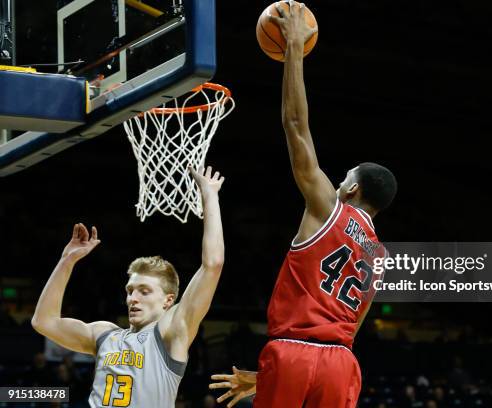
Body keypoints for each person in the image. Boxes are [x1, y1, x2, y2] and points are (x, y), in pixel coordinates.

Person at [209, 2, 397, 407]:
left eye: (345, 175)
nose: (339, 178)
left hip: (293, 350)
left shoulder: (329, 206)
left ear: (351, 189)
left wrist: (293, 48)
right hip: (343, 362)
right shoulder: (379, 256)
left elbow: (295, 125)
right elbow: (353, 326)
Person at [31, 166, 226, 408]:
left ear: (168, 300)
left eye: (144, 291)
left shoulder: (171, 330)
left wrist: (209, 195)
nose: (133, 298)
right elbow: (44, 322)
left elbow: (212, 264)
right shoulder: (105, 334)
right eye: (130, 290)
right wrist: (67, 261)